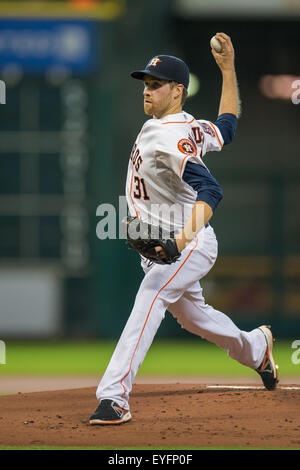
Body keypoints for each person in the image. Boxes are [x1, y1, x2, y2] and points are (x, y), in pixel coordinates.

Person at [89, 33, 278, 425]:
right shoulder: (185, 126)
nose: (148, 90)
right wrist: (228, 70)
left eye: (156, 85)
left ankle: (114, 397)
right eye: (145, 83)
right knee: (194, 317)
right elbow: (227, 127)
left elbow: (211, 188)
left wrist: (179, 239)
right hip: (173, 241)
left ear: (177, 91)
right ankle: (255, 347)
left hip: (188, 241)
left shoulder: (171, 135)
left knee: (151, 295)